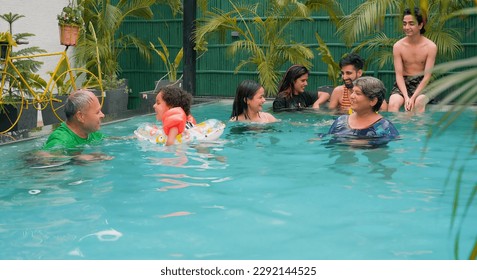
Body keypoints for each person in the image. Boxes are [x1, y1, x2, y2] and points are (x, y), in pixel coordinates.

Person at [388, 7, 437, 113]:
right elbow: (399, 75)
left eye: (411, 23)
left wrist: (413, 98)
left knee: (419, 102)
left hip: (423, 83)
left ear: (420, 25)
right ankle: (396, 130)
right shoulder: (398, 46)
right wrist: (406, 97)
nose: (407, 27)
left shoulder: (430, 47)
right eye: (404, 23)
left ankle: (418, 130)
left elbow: (427, 76)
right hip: (403, 83)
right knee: (392, 104)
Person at [328, 77, 399, 146]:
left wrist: (364, 143)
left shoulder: (385, 127)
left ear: (373, 101)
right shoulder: (340, 121)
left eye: (358, 93)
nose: (352, 96)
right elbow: (328, 142)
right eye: (352, 92)